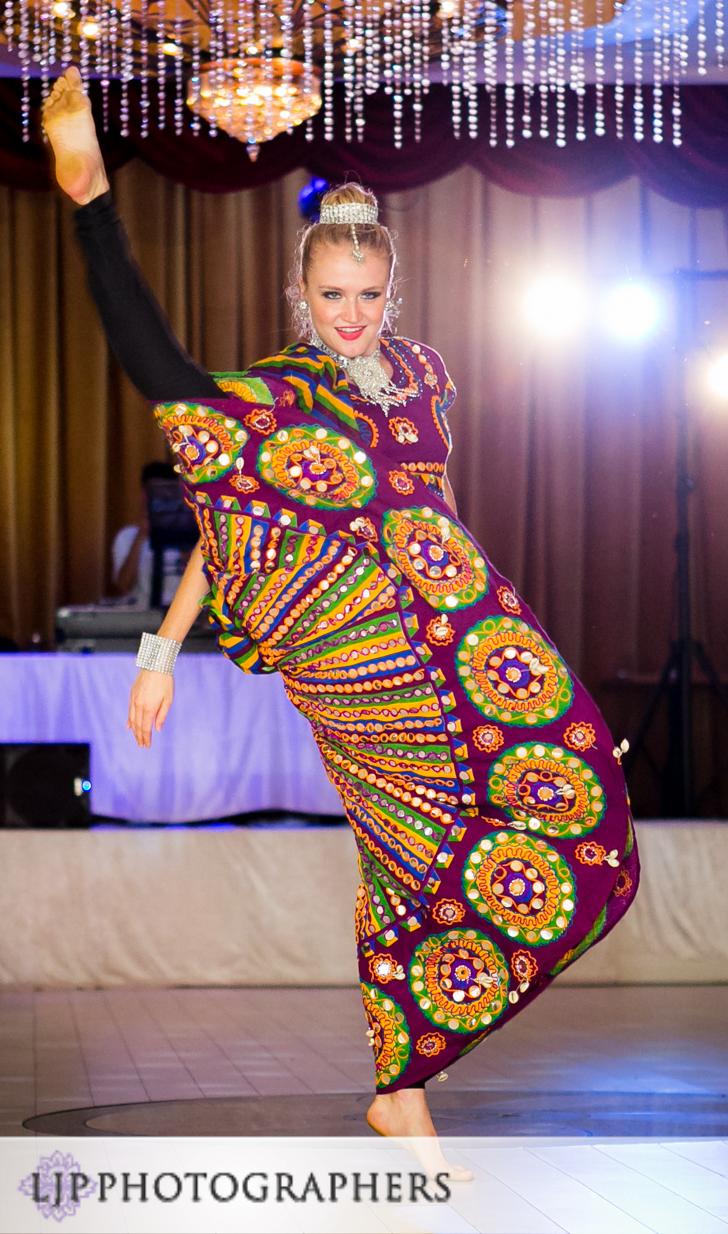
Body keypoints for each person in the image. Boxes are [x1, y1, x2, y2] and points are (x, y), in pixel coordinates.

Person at [42, 67, 639, 1158]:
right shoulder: (281, 396)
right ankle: (89, 203)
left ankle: (402, 1075)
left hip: (449, 626)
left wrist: (496, 633)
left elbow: (443, 513)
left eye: (368, 296)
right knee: (412, 838)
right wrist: (158, 652)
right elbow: (224, 533)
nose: (352, 316)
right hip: (350, 646)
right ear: (300, 300)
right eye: (333, 299)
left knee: (552, 806)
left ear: (391, 296)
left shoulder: (421, 376)